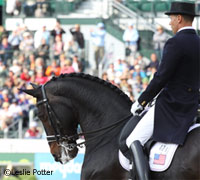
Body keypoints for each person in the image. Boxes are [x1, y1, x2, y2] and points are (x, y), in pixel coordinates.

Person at [121, 2, 200, 180]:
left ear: (179, 18)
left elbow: (161, 77)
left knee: (132, 141)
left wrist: (141, 102)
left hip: (171, 105)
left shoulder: (175, 43)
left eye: (171, 19)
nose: (170, 23)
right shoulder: (198, 42)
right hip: (192, 105)